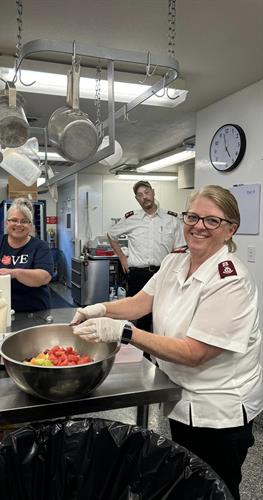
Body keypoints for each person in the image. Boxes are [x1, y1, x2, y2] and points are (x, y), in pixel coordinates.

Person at [71, 185, 263, 500]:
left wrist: (123, 332)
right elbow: (139, 303)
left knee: (217, 489)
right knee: (186, 483)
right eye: (193, 216)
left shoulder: (231, 282)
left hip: (219, 410)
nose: (199, 226)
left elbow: (194, 353)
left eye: (212, 221)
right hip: (182, 398)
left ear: (231, 229)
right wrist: (100, 308)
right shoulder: (177, 259)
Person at [107, 180, 184, 331]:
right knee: (135, 318)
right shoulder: (132, 219)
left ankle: (153, 352)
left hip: (163, 274)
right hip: (138, 275)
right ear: (137, 199)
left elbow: (180, 249)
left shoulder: (172, 219)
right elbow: (111, 234)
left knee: (161, 316)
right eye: (140, 195)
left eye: (147, 192)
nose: (145, 197)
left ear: (153, 192)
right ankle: (136, 351)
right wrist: (122, 256)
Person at [0, 198, 54, 312]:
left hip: (33, 312)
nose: (18, 224)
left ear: (31, 225)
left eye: (24, 221)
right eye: (14, 220)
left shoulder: (40, 247)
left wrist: (14, 273)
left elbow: (44, 277)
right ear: (6, 222)